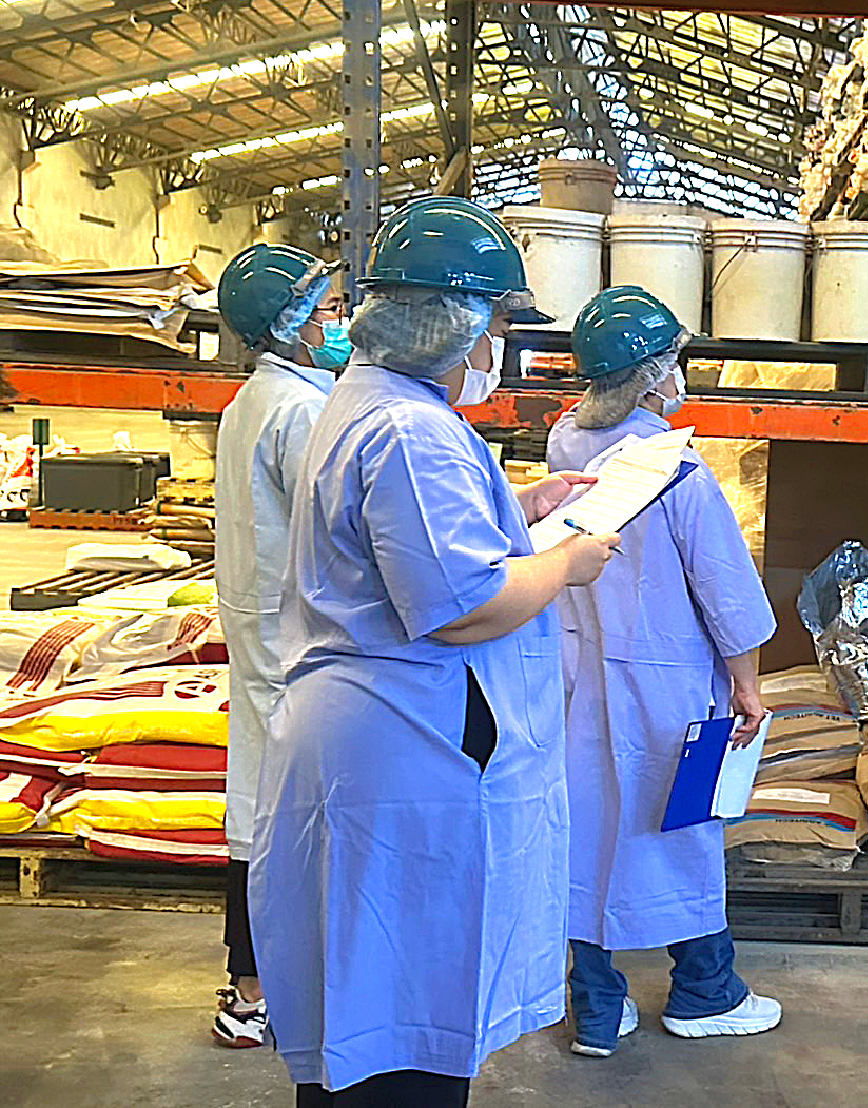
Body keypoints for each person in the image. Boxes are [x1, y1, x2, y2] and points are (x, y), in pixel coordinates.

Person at [249, 196, 620, 1106]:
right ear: (450, 324)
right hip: (400, 740)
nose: (496, 346)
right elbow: (463, 606)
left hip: (375, 731)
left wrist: (517, 506)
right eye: (494, 325)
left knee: (372, 995)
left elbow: (402, 534)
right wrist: (567, 562)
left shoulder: (372, 401)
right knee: (402, 1008)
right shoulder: (411, 429)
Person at [548, 286, 781, 1058]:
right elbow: (726, 591)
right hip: (667, 687)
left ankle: (595, 1008)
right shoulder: (676, 471)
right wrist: (746, 683)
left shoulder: (563, 448)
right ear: (654, 376)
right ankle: (705, 992)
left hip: (574, 679)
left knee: (584, 836)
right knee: (683, 827)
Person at [211, 243, 349, 1049]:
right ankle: (255, 987)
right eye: (327, 311)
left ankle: (255, 981)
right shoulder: (297, 410)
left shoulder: (256, 399)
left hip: (263, 624)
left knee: (261, 803)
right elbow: (340, 517)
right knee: (277, 814)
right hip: (288, 637)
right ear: (289, 325)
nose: (340, 321)